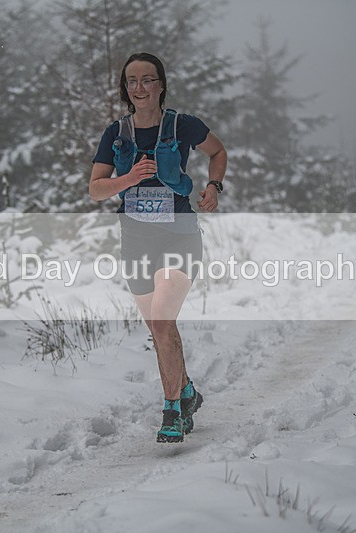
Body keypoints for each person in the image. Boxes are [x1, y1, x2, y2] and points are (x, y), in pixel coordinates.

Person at [89, 52, 227, 443]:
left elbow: (218, 151)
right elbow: (96, 187)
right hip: (136, 238)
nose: (140, 88)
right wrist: (128, 177)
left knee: (163, 321)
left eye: (148, 80)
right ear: (125, 88)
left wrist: (213, 186)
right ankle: (185, 390)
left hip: (178, 234)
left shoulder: (182, 125)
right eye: (132, 81)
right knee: (158, 327)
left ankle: (172, 412)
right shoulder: (115, 133)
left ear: (161, 85)